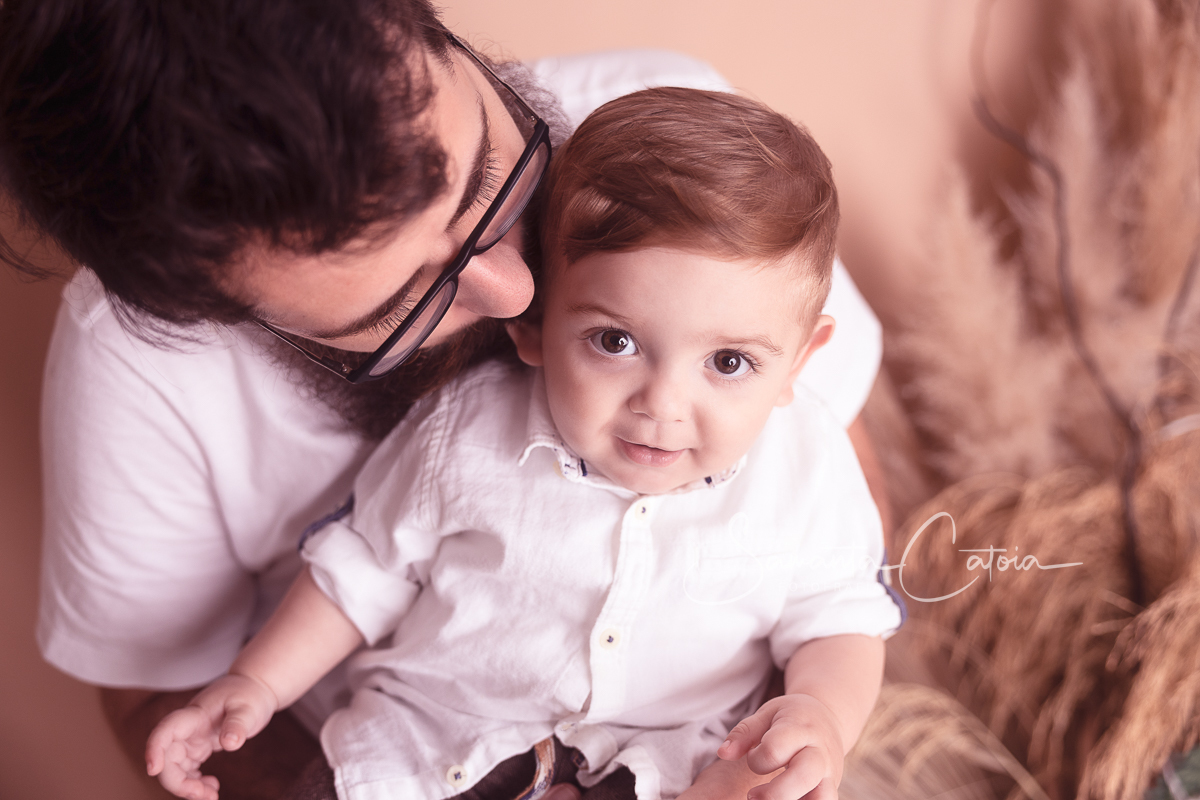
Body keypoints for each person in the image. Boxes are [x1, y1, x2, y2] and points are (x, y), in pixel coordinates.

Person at [0, 0, 889, 795]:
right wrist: (259, 704)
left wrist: (793, 738)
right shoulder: (139, 367)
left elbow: (839, 561)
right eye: (401, 303)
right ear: (225, 313)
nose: (512, 292)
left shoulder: (686, 160)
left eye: (488, 183)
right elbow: (175, 681)